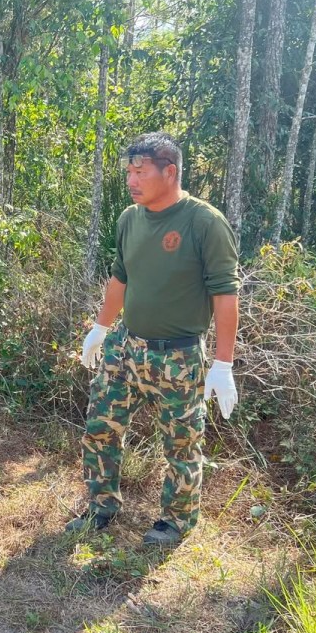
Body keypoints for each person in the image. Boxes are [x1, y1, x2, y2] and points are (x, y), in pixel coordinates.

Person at [67, 131, 240, 546]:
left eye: (140, 171)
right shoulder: (129, 218)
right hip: (126, 346)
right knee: (100, 427)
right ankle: (100, 506)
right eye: (129, 171)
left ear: (170, 171)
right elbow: (119, 278)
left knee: (181, 443)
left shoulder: (204, 222)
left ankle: (175, 521)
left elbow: (225, 295)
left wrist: (223, 364)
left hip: (178, 354)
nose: (132, 180)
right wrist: (101, 328)